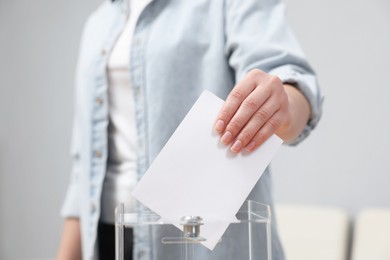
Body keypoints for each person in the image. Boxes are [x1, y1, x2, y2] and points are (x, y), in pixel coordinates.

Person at [56, 0, 323, 259]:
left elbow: (291, 86)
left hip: (205, 246)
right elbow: (84, 174)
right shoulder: (99, 22)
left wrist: (283, 105)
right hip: (109, 238)